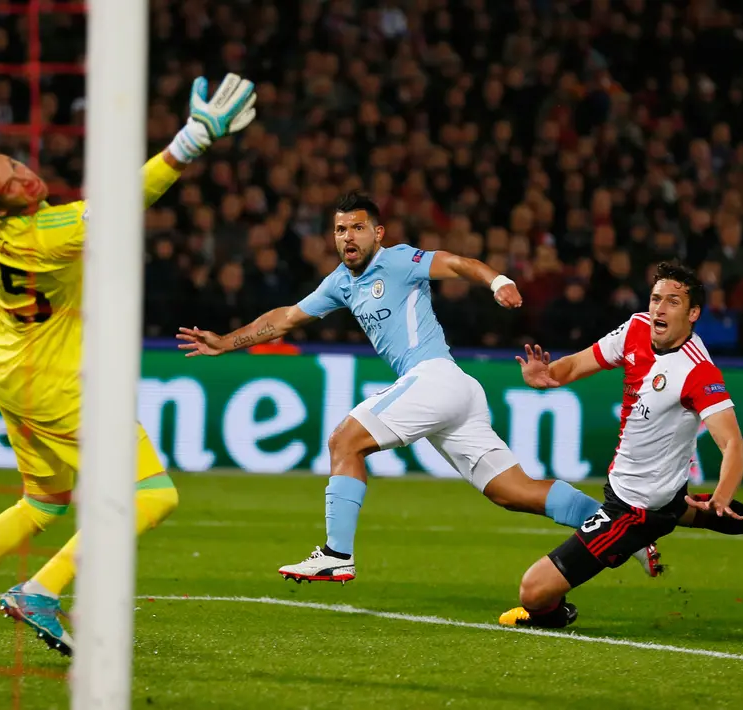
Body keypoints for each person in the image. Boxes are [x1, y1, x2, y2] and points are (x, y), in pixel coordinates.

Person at [0, 73, 257, 661]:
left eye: (14, 164)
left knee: (43, 502)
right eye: (10, 183)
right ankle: (40, 591)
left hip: (13, 372)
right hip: (63, 385)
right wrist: (193, 138)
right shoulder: (46, 232)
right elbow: (127, 199)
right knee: (153, 496)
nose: (23, 177)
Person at [177, 192, 661, 583]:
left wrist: (497, 281)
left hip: (434, 378)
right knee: (514, 492)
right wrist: (226, 342)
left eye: (358, 227)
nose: (348, 236)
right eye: (340, 229)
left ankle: (335, 554)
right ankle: (617, 529)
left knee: (345, 441)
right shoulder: (341, 282)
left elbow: (456, 263)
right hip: (454, 393)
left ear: (377, 233)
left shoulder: (399, 260)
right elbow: (283, 318)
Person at [499, 262, 743, 629]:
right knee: (690, 509)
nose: (659, 308)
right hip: (663, 495)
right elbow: (576, 365)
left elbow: (734, 444)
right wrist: (547, 375)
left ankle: (552, 615)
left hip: (635, 511)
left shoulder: (697, 371)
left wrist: (722, 494)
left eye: (672, 301)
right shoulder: (636, 328)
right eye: (656, 299)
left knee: (532, 591)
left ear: (693, 313)